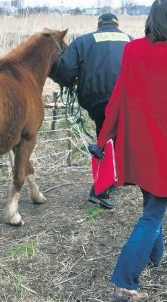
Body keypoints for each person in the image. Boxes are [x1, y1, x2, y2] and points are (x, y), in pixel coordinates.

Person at [91, 0, 167, 300]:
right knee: (153, 214)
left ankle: (155, 256)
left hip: (136, 145)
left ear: (152, 19)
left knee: (151, 201)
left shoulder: (133, 48)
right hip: (165, 148)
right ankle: (125, 282)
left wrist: (104, 138)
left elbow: (117, 98)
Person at [50, 13, 133, 210]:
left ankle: (112, 179)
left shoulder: (83, 41)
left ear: (99, 25)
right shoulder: (130, 40)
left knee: (105, 136)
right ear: (116, 26)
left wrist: (67, 80)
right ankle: (100, 190)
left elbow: (65, 71)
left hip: (97, 99)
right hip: (126, 98)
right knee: (116, 139)